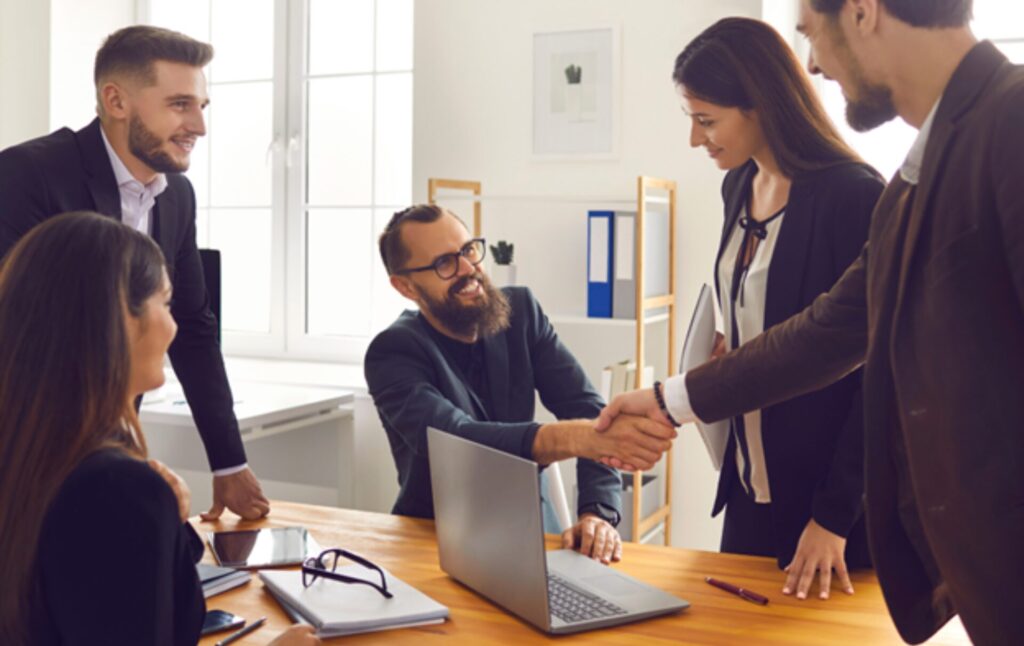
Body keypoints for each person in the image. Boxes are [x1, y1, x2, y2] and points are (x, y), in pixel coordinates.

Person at [598, 1, 1024, 643]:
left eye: (808, 33)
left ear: (862, 12)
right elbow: (827, 333)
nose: (815, 64)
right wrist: (670, 398)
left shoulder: (1011, 123)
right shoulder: (918, 176)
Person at [0, 213, 316, 645]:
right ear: (119, 319)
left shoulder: (28, 457)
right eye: (166, 304)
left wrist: (169, 518)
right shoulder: (116, 488)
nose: (174, 326)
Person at [0, 25, 269, 521]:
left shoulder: (177, 197)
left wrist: (228, 461)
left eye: (201, 107)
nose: (199, 126)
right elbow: (21, 330)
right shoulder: (26, 175)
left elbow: (191, 324)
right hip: (23, 450)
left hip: (109, 446)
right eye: (179, 104)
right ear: (116, 100)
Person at [672, 17, 884, 600]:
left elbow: (879, 375)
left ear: (760, 105)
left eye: (707, 120)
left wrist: (836, 514)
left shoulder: (854, 195)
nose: (696, 139)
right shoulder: (737, 185)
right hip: (746, 490)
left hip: (828, 515)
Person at [365, 205, 676, 564]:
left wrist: (597, 514)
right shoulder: (392, 352)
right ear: (405, 286)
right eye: (444, 264)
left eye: (468, 250)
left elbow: (591, 412)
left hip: (532, 528)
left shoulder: (522, 312)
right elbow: (457, 439)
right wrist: (576, 437)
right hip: (435, 542)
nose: (469, 269)